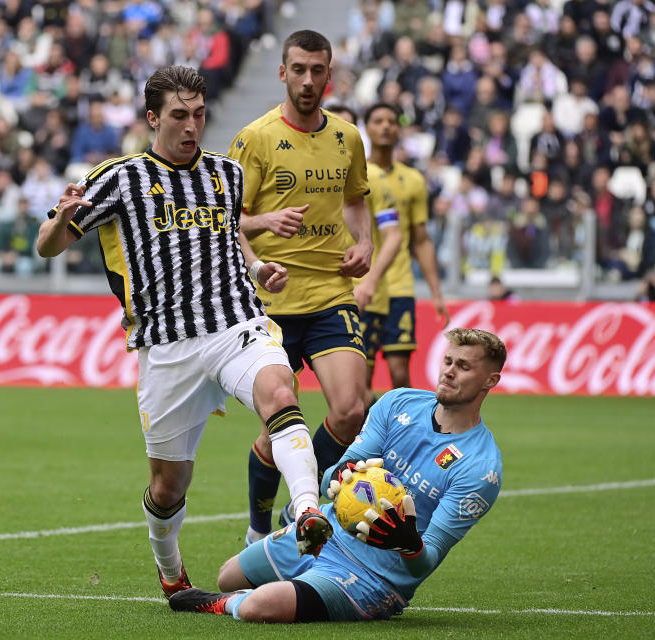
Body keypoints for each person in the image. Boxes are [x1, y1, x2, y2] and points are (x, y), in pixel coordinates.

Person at [35, 65, 332, 597]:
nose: (192, 125)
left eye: (199, 114)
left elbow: (227, 233)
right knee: (169, 486)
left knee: (278, 389)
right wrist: (60, 220)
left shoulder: (227, 174)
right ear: (153, 117)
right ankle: (172, 574)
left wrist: (259, 269)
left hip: (234, 322)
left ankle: (307, 511)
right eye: (179, 115)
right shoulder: (120, 178)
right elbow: (47, 246)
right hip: (166, 345)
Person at [169, 328, 506, 622]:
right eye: (448, 361)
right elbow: (335, 474)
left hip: (373, 577)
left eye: (463, 367)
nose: (449, 372)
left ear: (490, 380)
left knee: (259, 605)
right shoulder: (398, 403)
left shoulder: (481, 469)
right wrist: (339, 475)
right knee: (229, 574)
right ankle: (281, 583)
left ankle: (224, 605)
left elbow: (425, 561)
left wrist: (409, 544)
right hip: (327, 534)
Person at [227, 30, 374, 544]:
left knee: (353, 410)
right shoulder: (254, 139)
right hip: (269, 301)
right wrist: (261, 252)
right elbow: (226, 221)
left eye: (318, 70)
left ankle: (301, 506)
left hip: (331, 292)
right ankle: (256, 528)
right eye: (299, 69)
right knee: (277, 428)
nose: (308, 80)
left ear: (329, 75)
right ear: (282, 72)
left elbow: (357, 199)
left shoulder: (348, 137)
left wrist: (366, 243)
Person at [355, 103, 450, 401]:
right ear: (367, 129)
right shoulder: (355, 175)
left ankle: (402, 441)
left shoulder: (413, 180)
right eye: (378, 120)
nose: (385, 126)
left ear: (399, 129)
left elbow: (420, 239)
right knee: (362, 379)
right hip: (362, 286)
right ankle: (365, 444)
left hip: (399, 285)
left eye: (391, 121)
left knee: (399, 374)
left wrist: (435, 291)